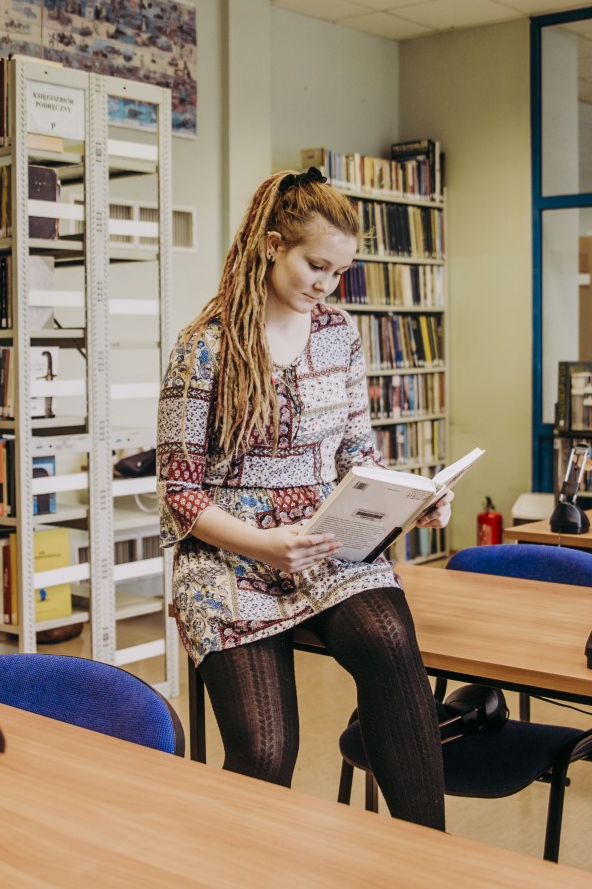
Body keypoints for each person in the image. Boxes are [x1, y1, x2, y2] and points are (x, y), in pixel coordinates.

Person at [158, 167, 449, 829]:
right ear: (271, 245)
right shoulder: (204, 347)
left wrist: (412, 501)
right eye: (316, 266)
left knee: (390, 642)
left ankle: (430, 852)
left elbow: (358, 456)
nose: (326, 285)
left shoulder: (340, 334)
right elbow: (179, 491)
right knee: (265, 750)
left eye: (339, 272)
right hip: (229, 558)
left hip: (325, 540)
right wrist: (263, 544)